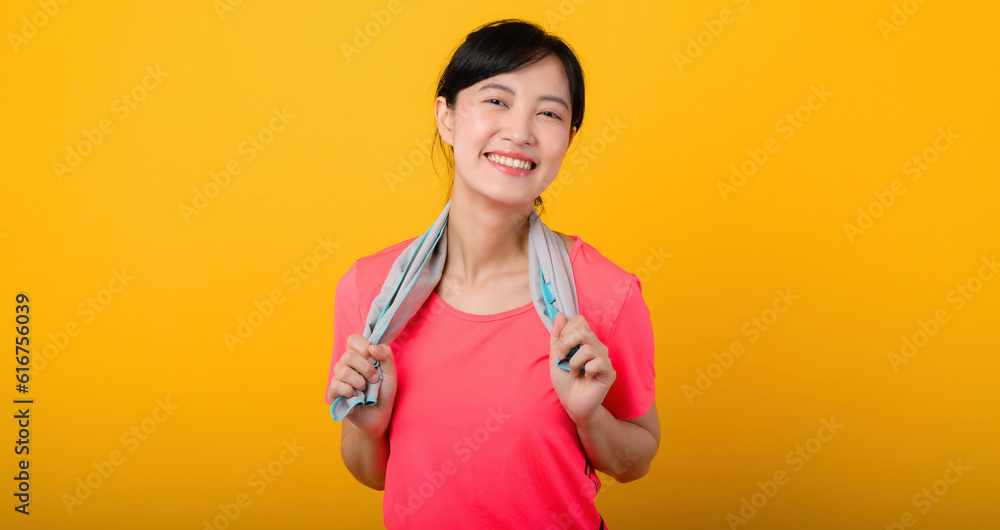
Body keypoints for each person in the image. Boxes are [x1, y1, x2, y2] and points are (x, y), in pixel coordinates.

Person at [324, 19, 660, 529]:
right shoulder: (372, 295)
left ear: (567, 140)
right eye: (497, 101)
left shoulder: (603, 292)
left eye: (548, 113)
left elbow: (635, 463)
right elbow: (372, 475)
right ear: (448, 117)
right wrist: (370, 431)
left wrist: (590, 416)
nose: (520, 132)